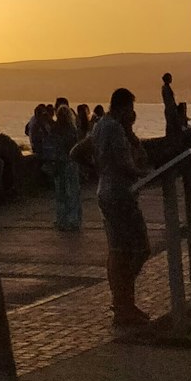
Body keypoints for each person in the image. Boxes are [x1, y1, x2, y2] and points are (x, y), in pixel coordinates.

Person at [73, 87, 151, 330]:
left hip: (108, 192)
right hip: (119, 195)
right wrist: (146, 175)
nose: (133, 113)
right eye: (131, 108)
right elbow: (126, 165)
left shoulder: (100, 126)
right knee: (137, 248)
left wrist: (96, 169)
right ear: (124, 107)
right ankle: (122, 301)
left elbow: (76, 152)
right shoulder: (113, 128)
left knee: (121, 249)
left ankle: (124, 303)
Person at [50, 104, 82, 230]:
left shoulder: (56, 129)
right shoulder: (72, 130)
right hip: (69, 163)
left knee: (62, 193)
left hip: (62, 163)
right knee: (71, 192)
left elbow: (54, 148)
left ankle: (63, 220)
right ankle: (72, 220)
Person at [161, 72, 181, 147]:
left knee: (172, 125)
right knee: (170, 125)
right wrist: (174, 107)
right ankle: (170, 141)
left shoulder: (167, 88)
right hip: (170, 109)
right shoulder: (165, 88)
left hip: (171, 109)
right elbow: (169, 100)